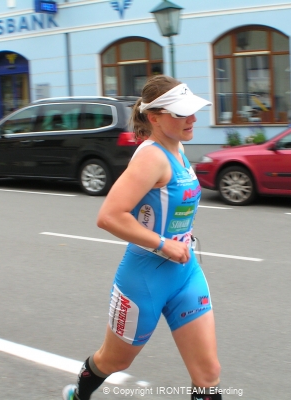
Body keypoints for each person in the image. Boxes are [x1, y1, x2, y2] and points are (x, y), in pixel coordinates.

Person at [62, 75, 223, 400]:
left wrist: (177, 239)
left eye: (192, 111)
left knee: (208, 374)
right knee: (114, 360)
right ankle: (78, 395)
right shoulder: (151, 157)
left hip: (185, 273)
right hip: (145, 279)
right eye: (181, 113)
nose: (192, 119)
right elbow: (109, 216)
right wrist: (163, 244)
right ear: (154, 118)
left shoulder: (178, 146)